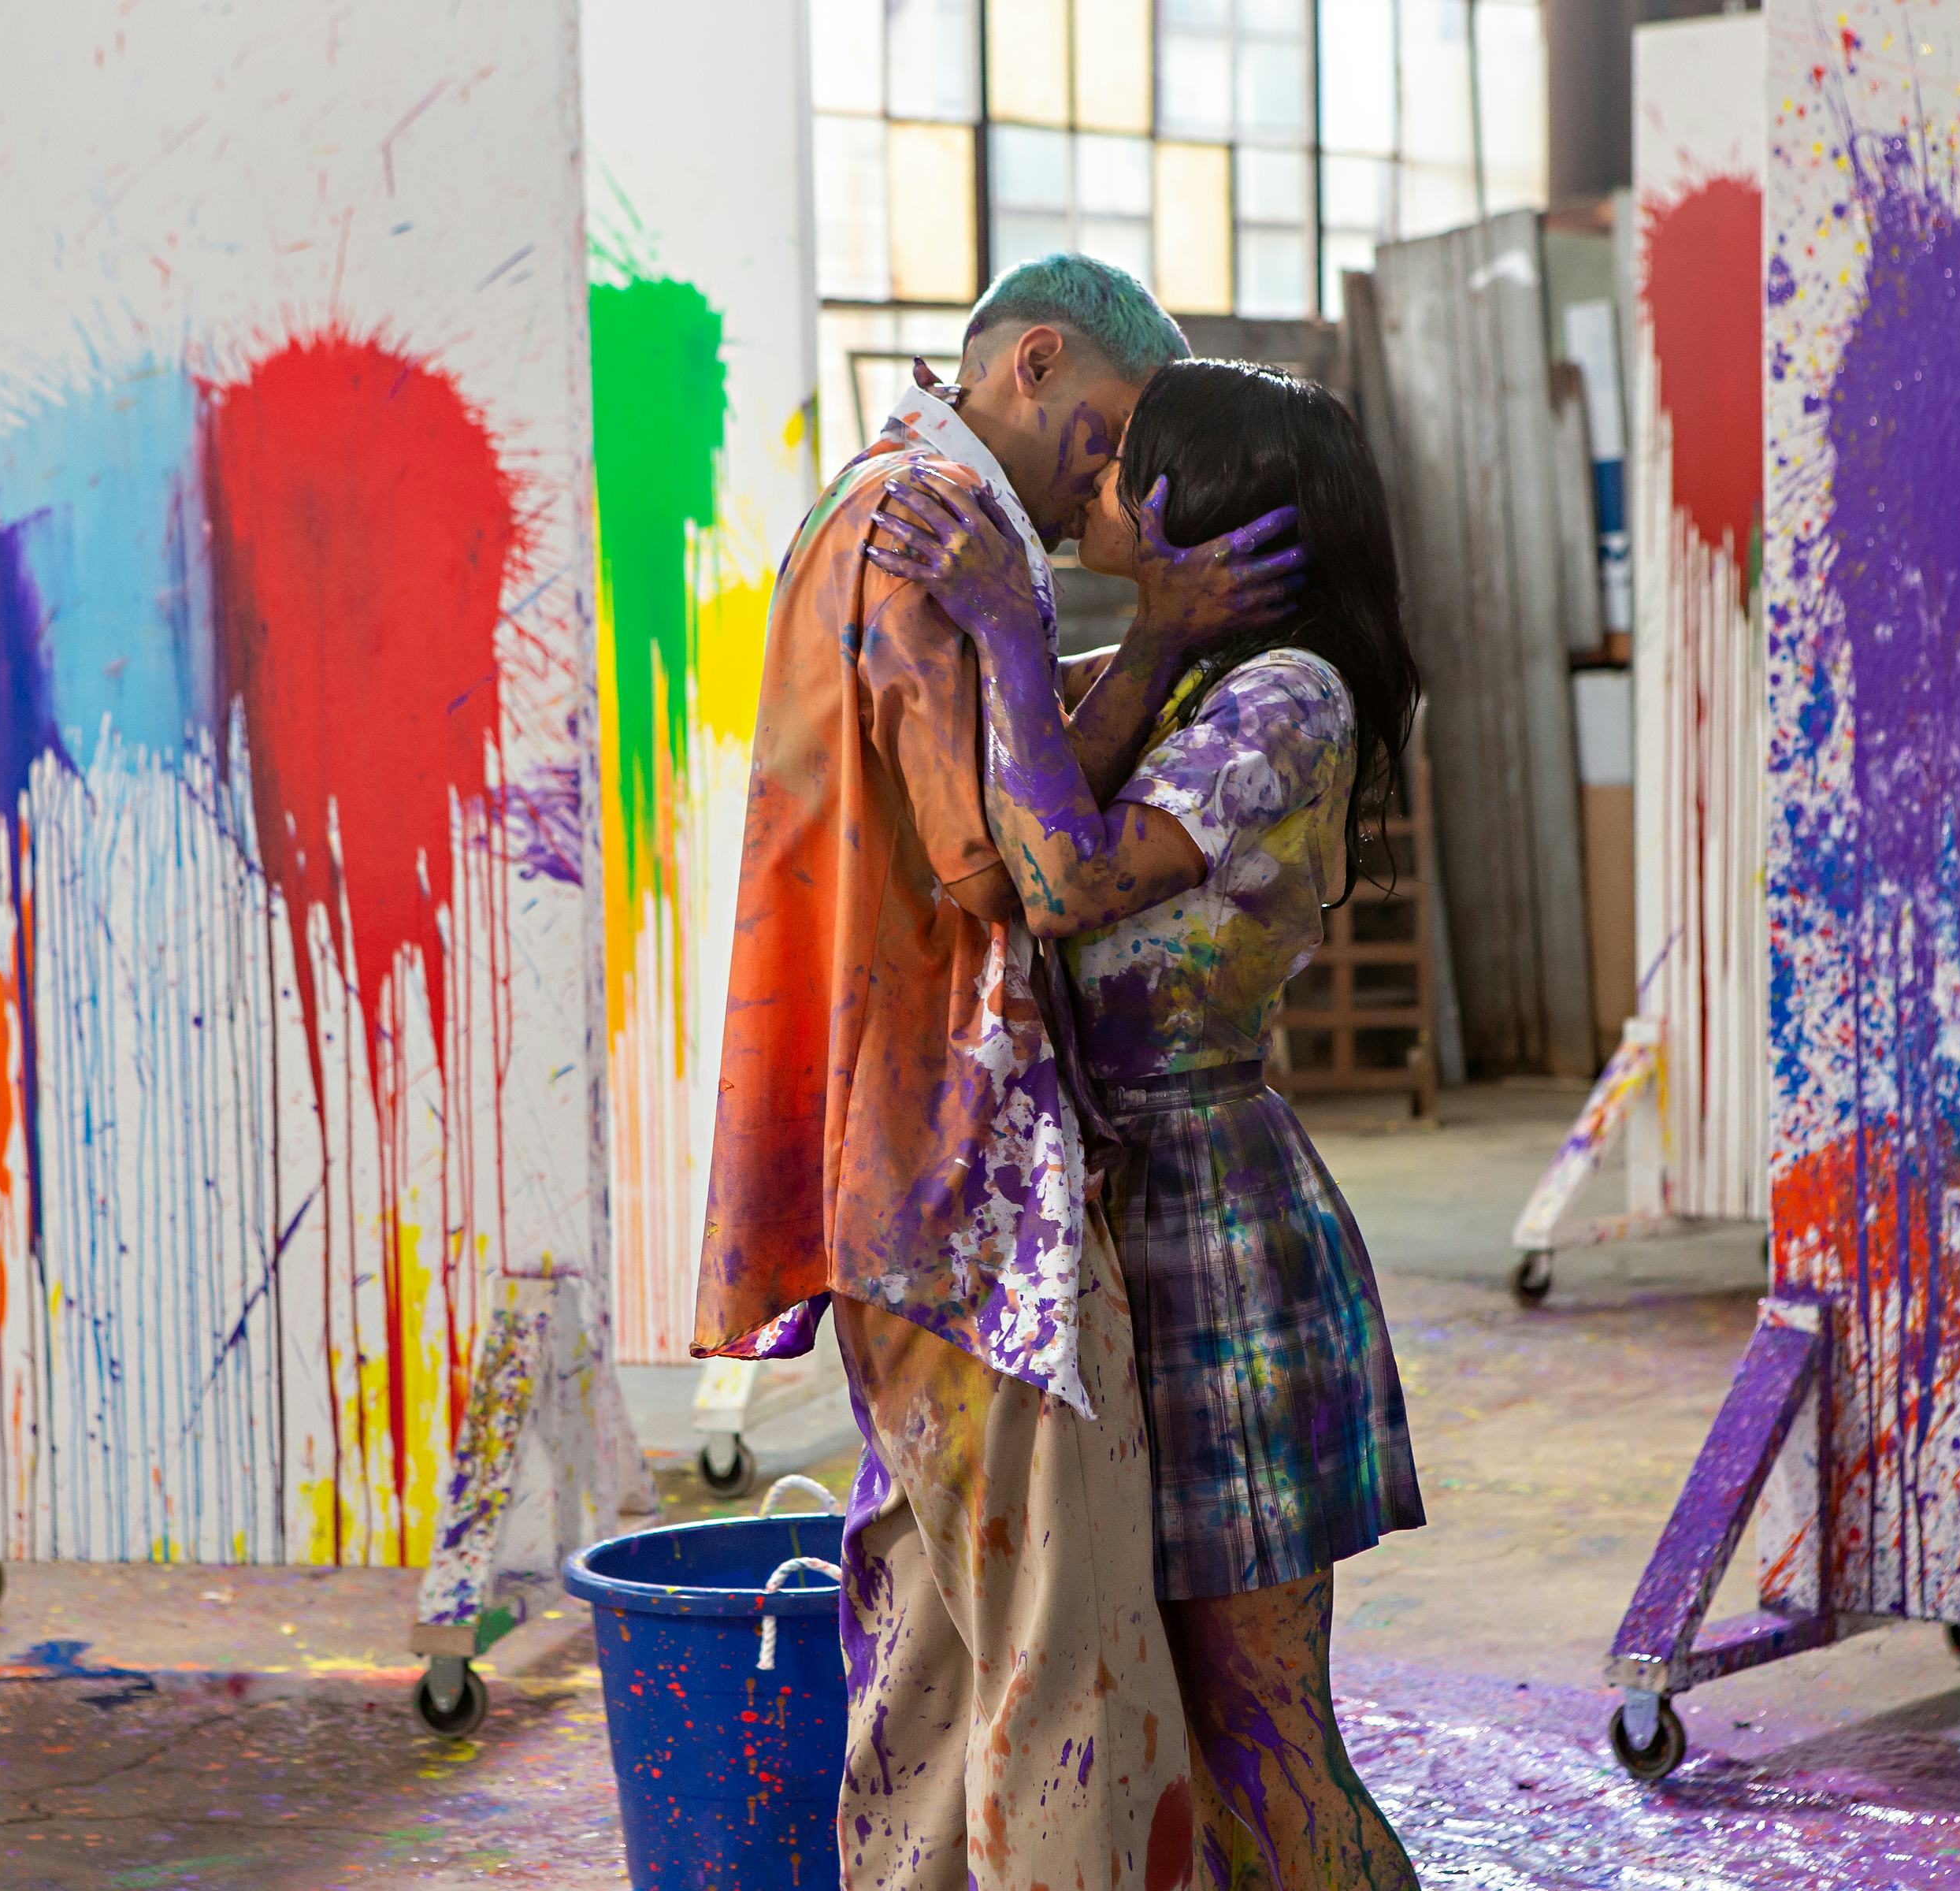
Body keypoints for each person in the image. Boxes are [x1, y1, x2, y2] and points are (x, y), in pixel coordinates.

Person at [691, 258, 1305, 1891]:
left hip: (898, 1175)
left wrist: (1114, 641)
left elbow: (986, 825)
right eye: (1099, 444)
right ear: (1033, 361)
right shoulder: (934, 529)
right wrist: (1119, 641)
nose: (1104, 489)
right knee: (1073, 1670)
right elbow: (1005, 865)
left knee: (938, 1666)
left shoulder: (883, 506)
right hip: (971, 1191)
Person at [864, 358, 1428, 1891]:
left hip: (1224, 1240)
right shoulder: (1187, 671)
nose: (1091, 490)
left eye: (1125, 469)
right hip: (1135, 1223)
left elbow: (1063, 880)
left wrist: (998, 624)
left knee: (1264, 1741)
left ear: (1214, 513)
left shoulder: (1286, 698)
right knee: (1182, 1731)